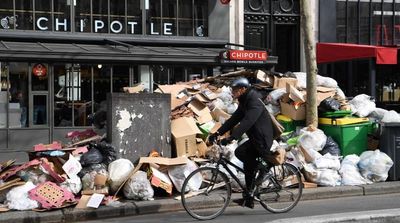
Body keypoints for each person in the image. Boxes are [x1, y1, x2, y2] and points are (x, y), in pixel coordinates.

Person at [208, 77, 274, 209]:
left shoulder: (254, 101)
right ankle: (249, 198)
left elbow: (247, 122)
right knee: (247, 164)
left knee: (243, 156)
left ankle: (266, 169)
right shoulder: (244, 100)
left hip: (262, 139)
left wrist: (232, 137)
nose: (233, 92)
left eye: (235, 90)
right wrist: (218, 133)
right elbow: (234, 119)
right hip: (255, 138)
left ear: (243, 89)